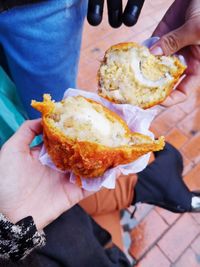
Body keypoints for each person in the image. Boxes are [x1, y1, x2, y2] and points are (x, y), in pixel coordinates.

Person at [0, 0, 200, 266]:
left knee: (44, 102)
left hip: (35, 7)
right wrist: (9, 223)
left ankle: (144, 186)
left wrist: (10, 221)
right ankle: (142, 187)